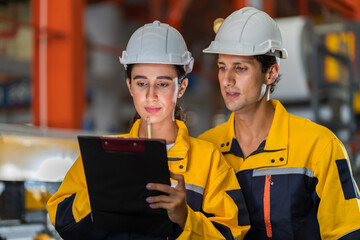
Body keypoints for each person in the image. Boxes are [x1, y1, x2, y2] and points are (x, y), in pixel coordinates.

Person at [47, 20, 250, 240]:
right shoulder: (106, 155)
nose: (151, 95)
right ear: (129, 85)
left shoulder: (208, 160)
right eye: (141, 83)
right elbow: (61, 219)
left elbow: (233, 233)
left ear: (181, 87)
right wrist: (100, 191)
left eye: (162, 84)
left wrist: (185, 218)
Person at [198, 7, 360, 240]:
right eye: (222, 67)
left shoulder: (319, 147)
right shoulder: (206, 149)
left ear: (271, 73)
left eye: (240, 68)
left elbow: (348, 233)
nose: (227, 80)